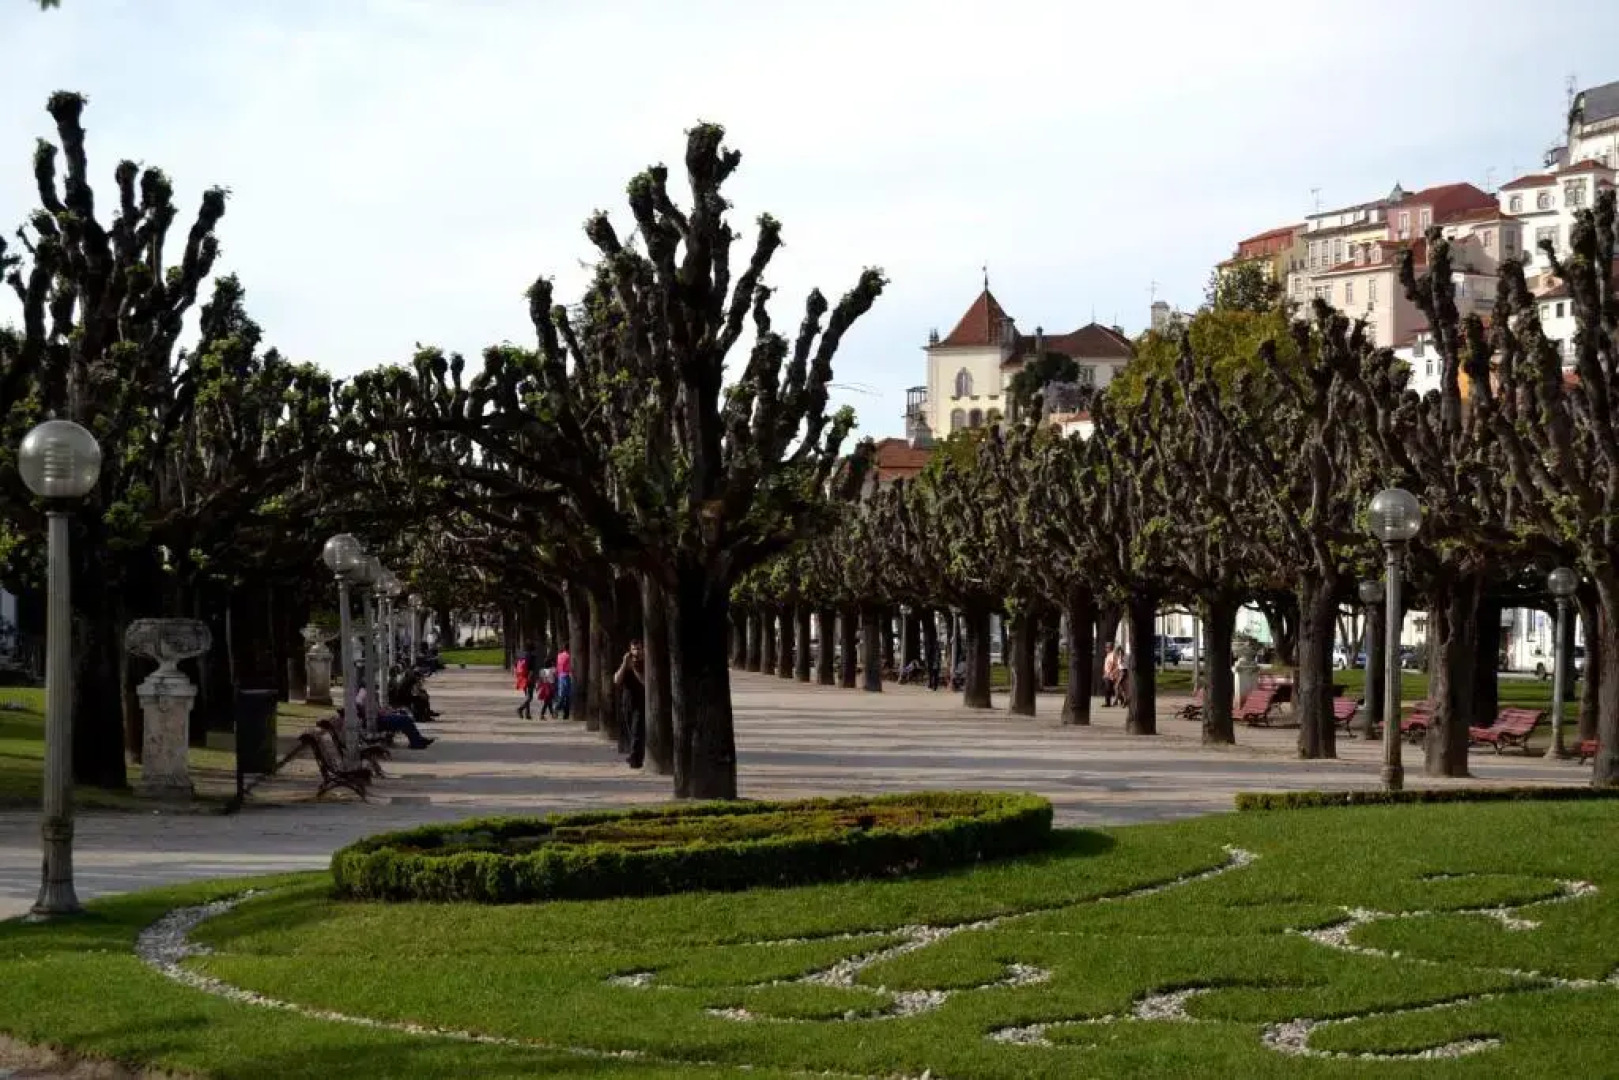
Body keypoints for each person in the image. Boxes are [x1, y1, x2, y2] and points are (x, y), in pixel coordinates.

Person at [356, 684, 434, 749]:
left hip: (377, 718)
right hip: (378, 721)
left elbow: (375, 710)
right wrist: (387, 711)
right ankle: (416, 743)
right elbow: (374, 712)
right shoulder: (365, 695)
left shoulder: (363, 694)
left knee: (403, 715)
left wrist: (387, 711)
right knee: (405, 719)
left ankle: (418, 740)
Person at [615, 638, 646, 769]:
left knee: (637, 729)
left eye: (638, 648)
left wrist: (634, 668)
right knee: (630, 730)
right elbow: (616, 680)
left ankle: (635, 759)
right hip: (627, 701)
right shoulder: (626, 664)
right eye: (634, 649)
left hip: (641, 701)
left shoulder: (646, 664)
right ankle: (634, 754)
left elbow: (644, 682)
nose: (636, 652)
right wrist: (624, 664)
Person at [516, 643, 539, 719]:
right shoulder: (532, 656)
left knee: (527, 696)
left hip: (522, 677)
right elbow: (532, 670)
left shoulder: (522, 655)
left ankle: (528, 714)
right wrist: (531, 678)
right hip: (529, 678)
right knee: (530, 697)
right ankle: (520, 709)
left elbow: (516, 666)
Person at [555, 645, 573, 720]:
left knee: (562, 695)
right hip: (566, 676)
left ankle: (559, 710)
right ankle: (564, 713)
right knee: (567, 696)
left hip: (560, 676)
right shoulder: (568, 656)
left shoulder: (559, 656)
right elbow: (570, 667)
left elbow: (558, 666)